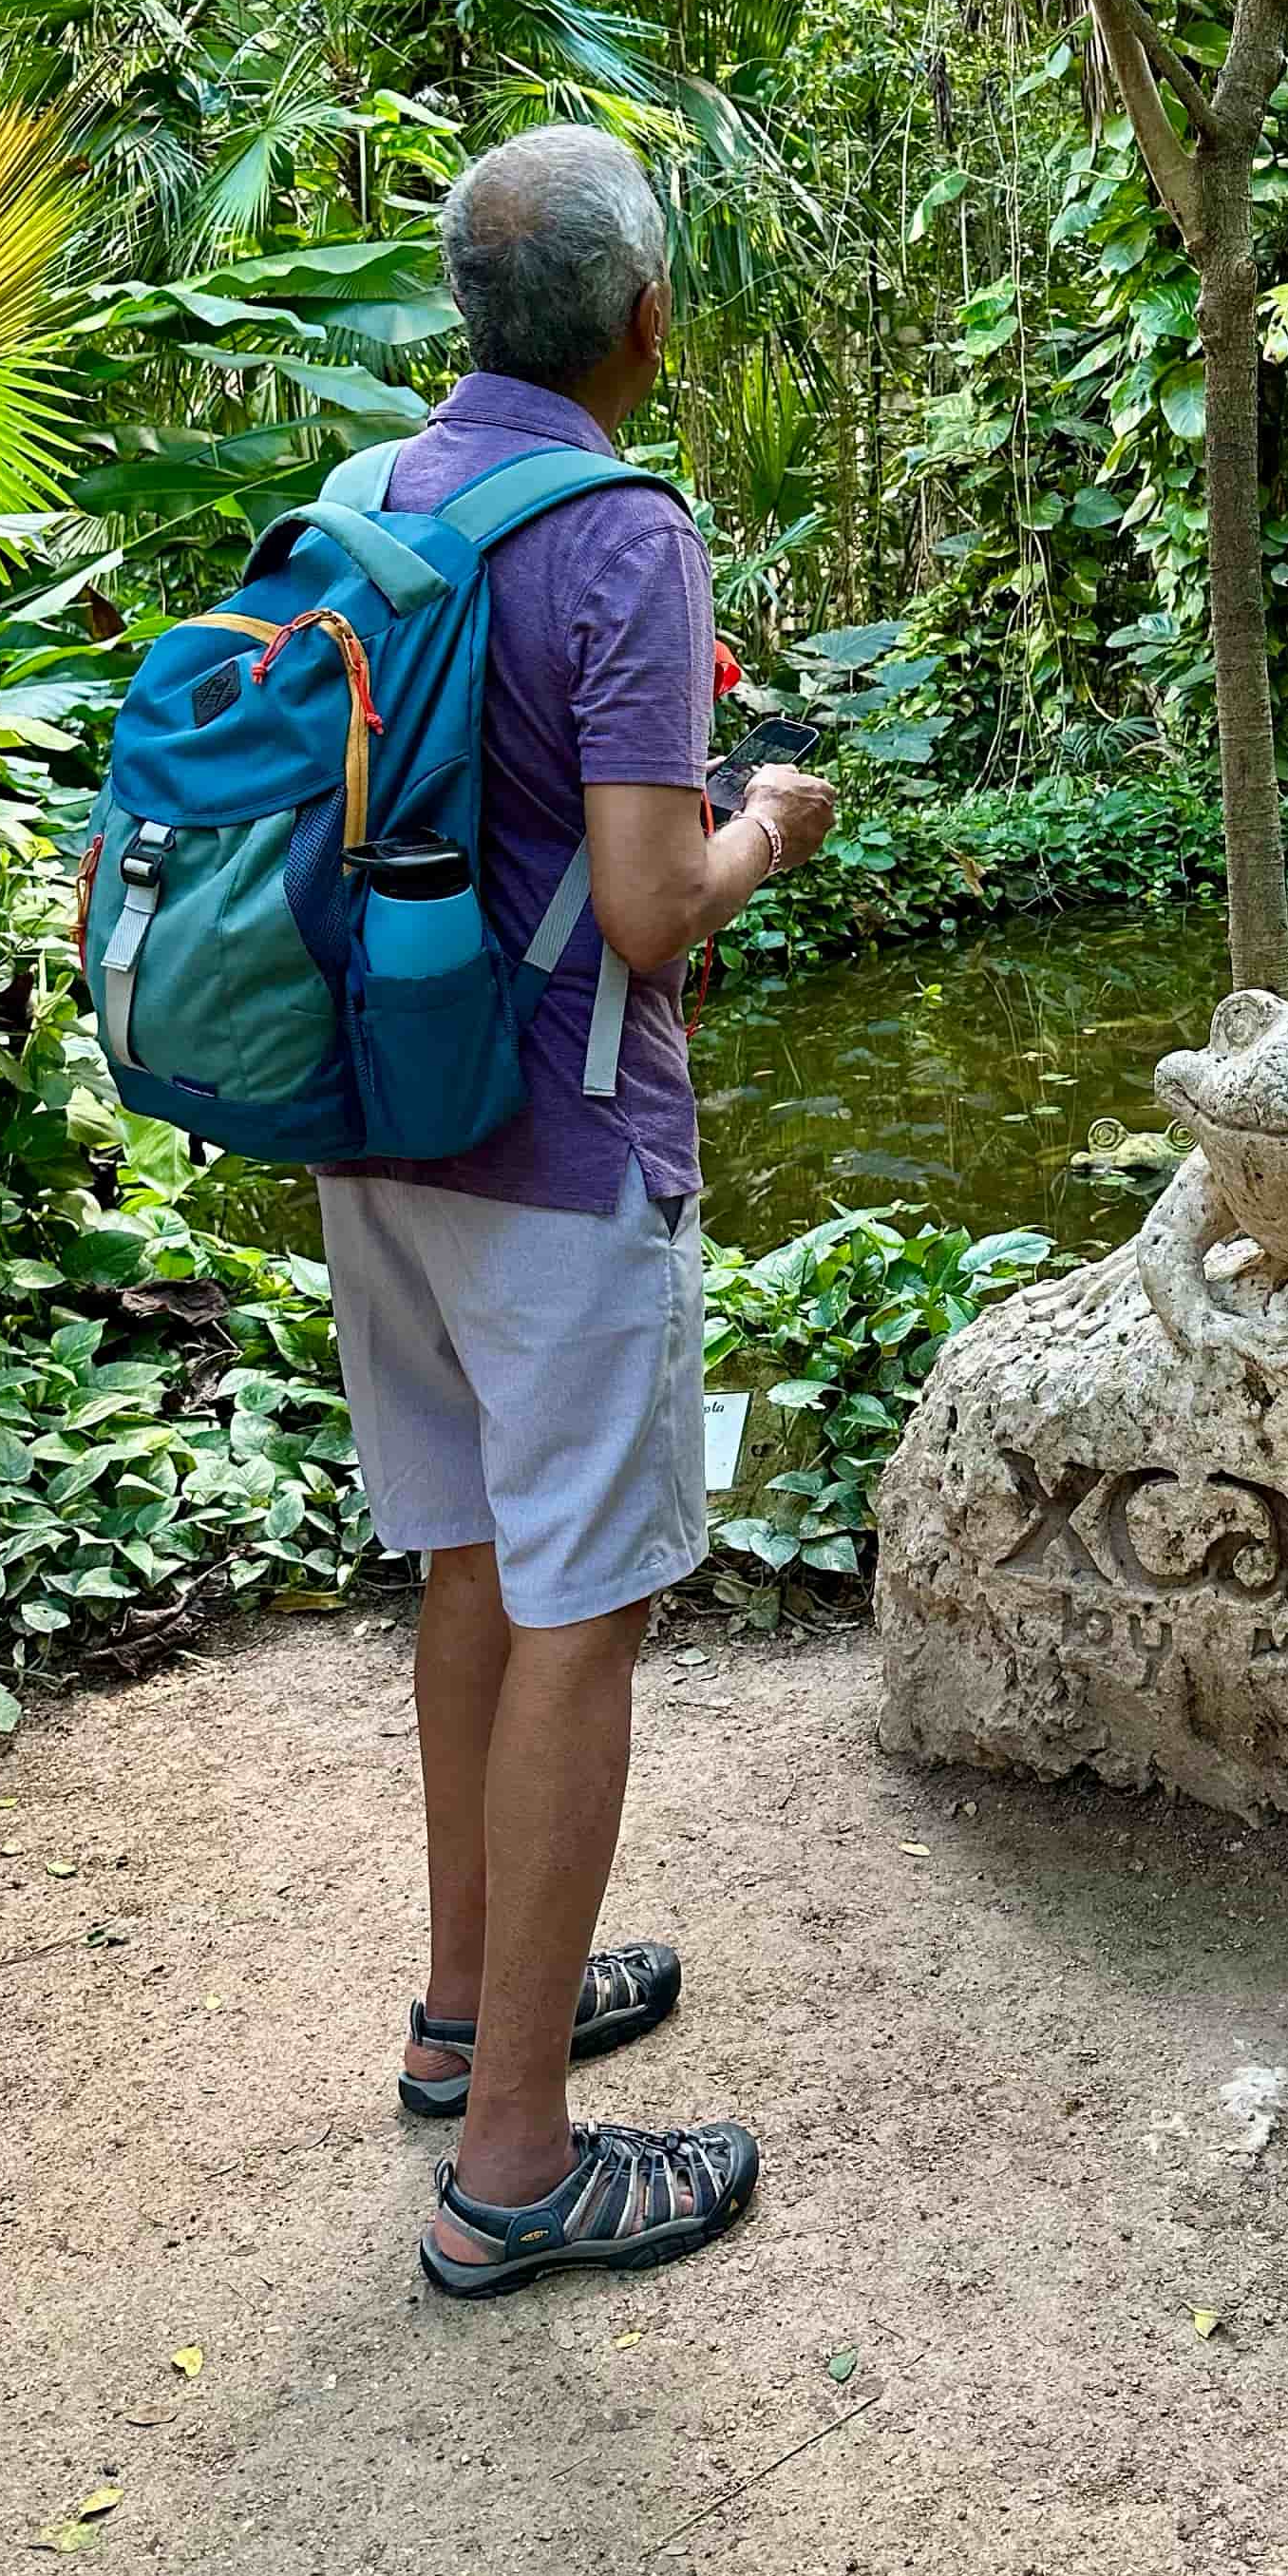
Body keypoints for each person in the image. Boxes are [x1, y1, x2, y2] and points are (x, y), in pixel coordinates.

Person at [316, 122, 835, 2301]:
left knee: (470, 1566)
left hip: (374, 1131)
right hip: (556, 1155)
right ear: (645, 321)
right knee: (584, 1617)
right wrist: (771, 827)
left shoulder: (368, 502)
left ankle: (469, 2017)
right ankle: (517, 2160)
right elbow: (643, 910)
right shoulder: (624, 537)